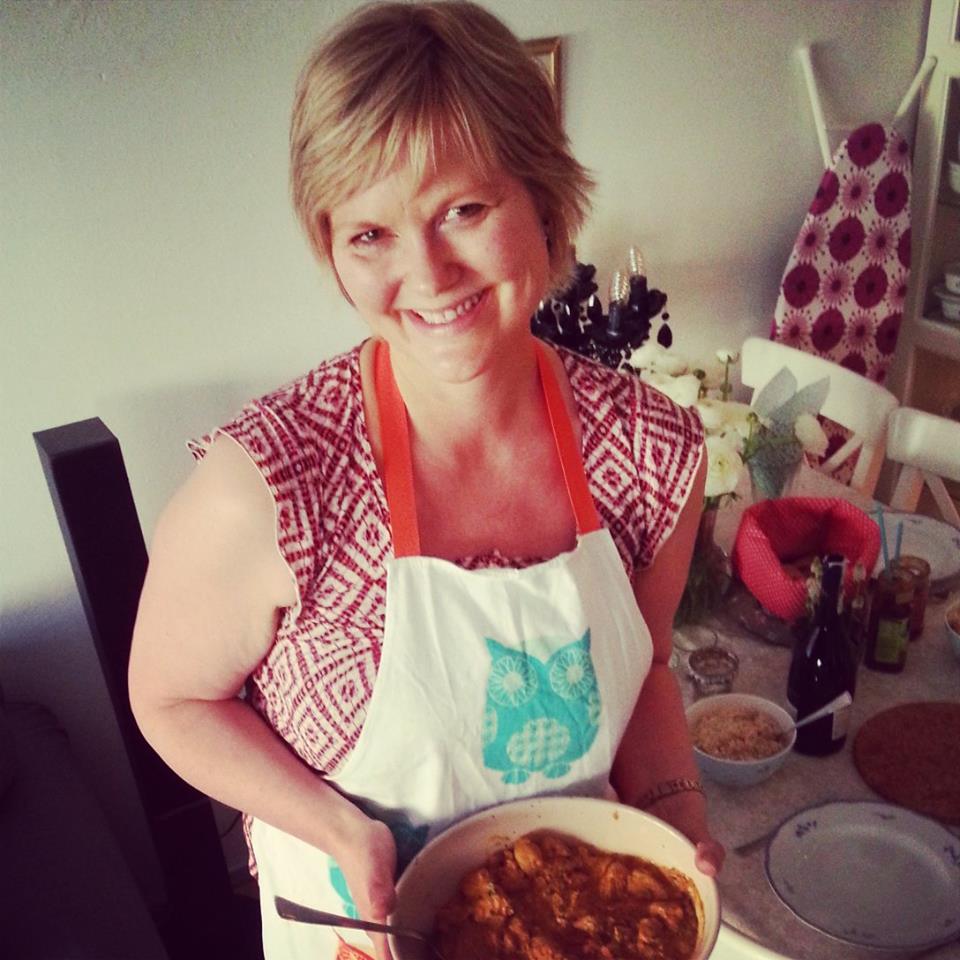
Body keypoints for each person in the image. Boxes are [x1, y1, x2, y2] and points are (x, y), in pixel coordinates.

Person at [129, 3, 724, 958]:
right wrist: (341, 830)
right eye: (370, 233)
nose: (429, 273)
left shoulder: (652, 452)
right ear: (331, 249)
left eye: (463, 210)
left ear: (544, 202)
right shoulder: (271, 485)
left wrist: (674, 816)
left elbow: (647, 666)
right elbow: (169, 700)